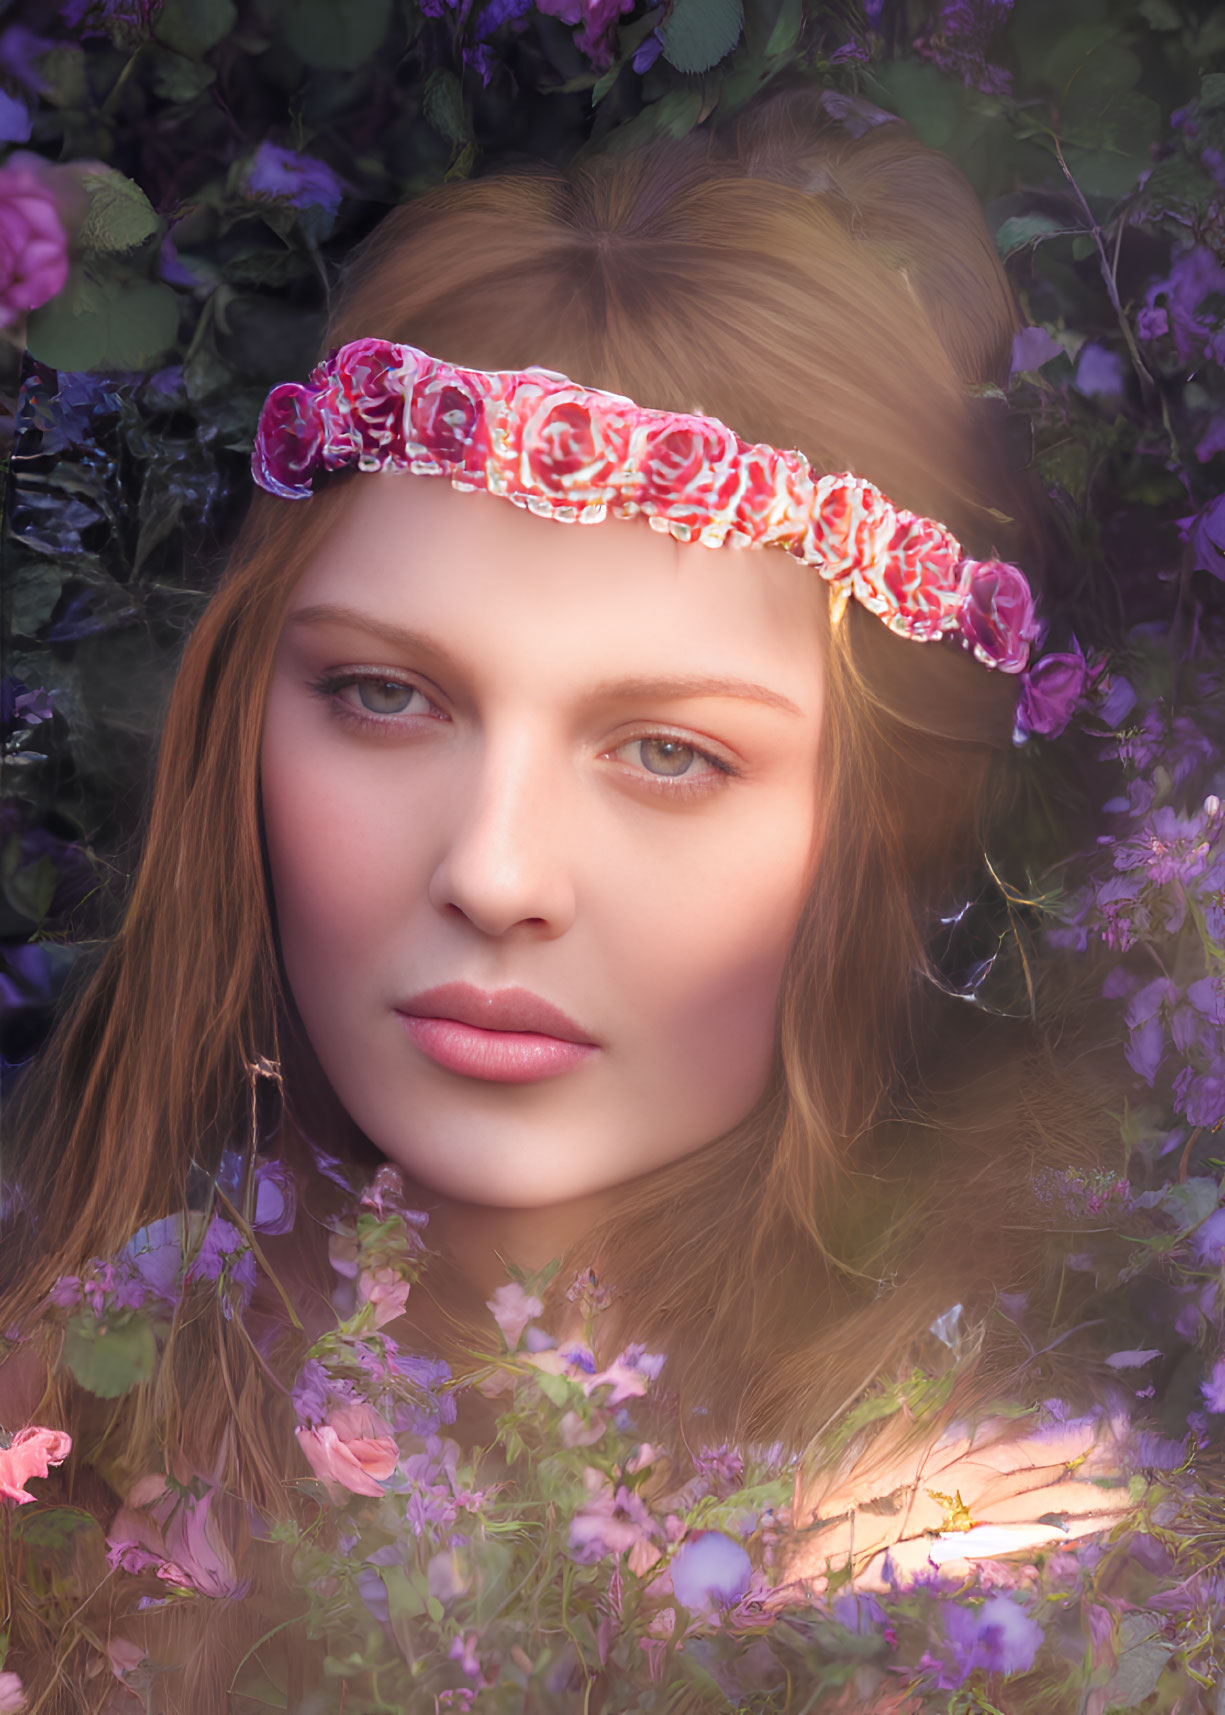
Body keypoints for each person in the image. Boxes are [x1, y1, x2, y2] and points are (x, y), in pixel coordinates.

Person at [0, 86, 1130, 1710]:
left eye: (667, 750)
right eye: (388, 698)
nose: (495, 872)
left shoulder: (986, 1565)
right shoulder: (60, 1407)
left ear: (888, 832)